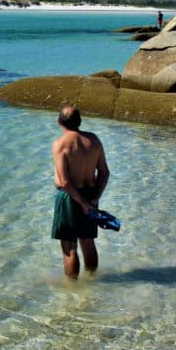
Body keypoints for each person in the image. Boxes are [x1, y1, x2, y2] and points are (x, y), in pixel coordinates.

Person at [51, 105, 110, 278]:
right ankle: (92, 281)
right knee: (88, 242)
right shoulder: (94, 140)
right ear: (79, 121)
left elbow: (65, 182)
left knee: (69, 247)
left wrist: (83, 204)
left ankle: (72, 292)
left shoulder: (60, 144)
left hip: (70, 198)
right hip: (91, 195)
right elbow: (105, 173)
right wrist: (93, 200)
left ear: (59, 121)